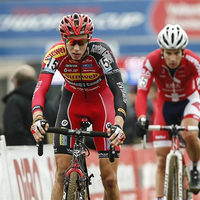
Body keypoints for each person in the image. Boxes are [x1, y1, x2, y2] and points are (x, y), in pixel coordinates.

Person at [30, 13, 127, 200]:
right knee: (60, 174)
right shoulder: (55, 53)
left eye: (81, 42)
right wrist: (37, 119)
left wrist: (119, 123)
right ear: (63, 39)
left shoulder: (102, 51)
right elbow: (40, 89)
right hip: (72, 102)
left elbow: (119, 90)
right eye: (71, 42)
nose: (75, 48)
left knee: (109, 179)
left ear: (89, 39)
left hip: (102, 103)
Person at [135, 24, 200, 199]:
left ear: (183, 52)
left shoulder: (194, 61)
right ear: (162, 51)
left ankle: (194, 167)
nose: (172, 58)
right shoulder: (151, 60)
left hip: (189, 100)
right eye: (168, 53)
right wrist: (141, 117)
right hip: (164, 105)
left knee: (189, 134)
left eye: (176, 53)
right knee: (162, 160)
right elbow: (142, 92)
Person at [2, 65, 56, 145]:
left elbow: (13, 131)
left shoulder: (14, 101)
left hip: (20, 155)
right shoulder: (45, 102)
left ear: (16, 82)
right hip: (44, 153)